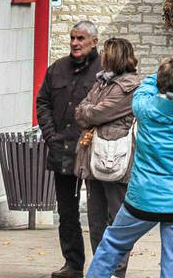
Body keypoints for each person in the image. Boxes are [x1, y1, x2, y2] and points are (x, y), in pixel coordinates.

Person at [82, 54, 173, 278]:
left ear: (161, 83)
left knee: (112, 245)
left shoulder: (144, 107)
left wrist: (167, 68)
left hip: (143, 197)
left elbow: (145, 86)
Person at [72, 39, 143, 278]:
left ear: (114, 57)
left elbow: (98, 112)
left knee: (117, 221)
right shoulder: (102, 81)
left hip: (115, 159)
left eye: (105, 52)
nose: (101, 55)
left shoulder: (129, 87)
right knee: (95, 221)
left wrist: (89, 112)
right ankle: (101, 269)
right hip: (93, 160)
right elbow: (82, 110)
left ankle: (115, 272)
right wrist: (88, 112)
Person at [35, 22, 101, 278]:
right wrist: (50, 135)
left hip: (94, 152)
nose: (75, 43)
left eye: (81, 38)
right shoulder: (57, 69)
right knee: (67, 213)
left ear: (94, 42)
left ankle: (103, 267)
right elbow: (43, 102)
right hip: (62, 150)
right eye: (72, 38)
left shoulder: (104, 71)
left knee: (99, 214)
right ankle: (73, 264)